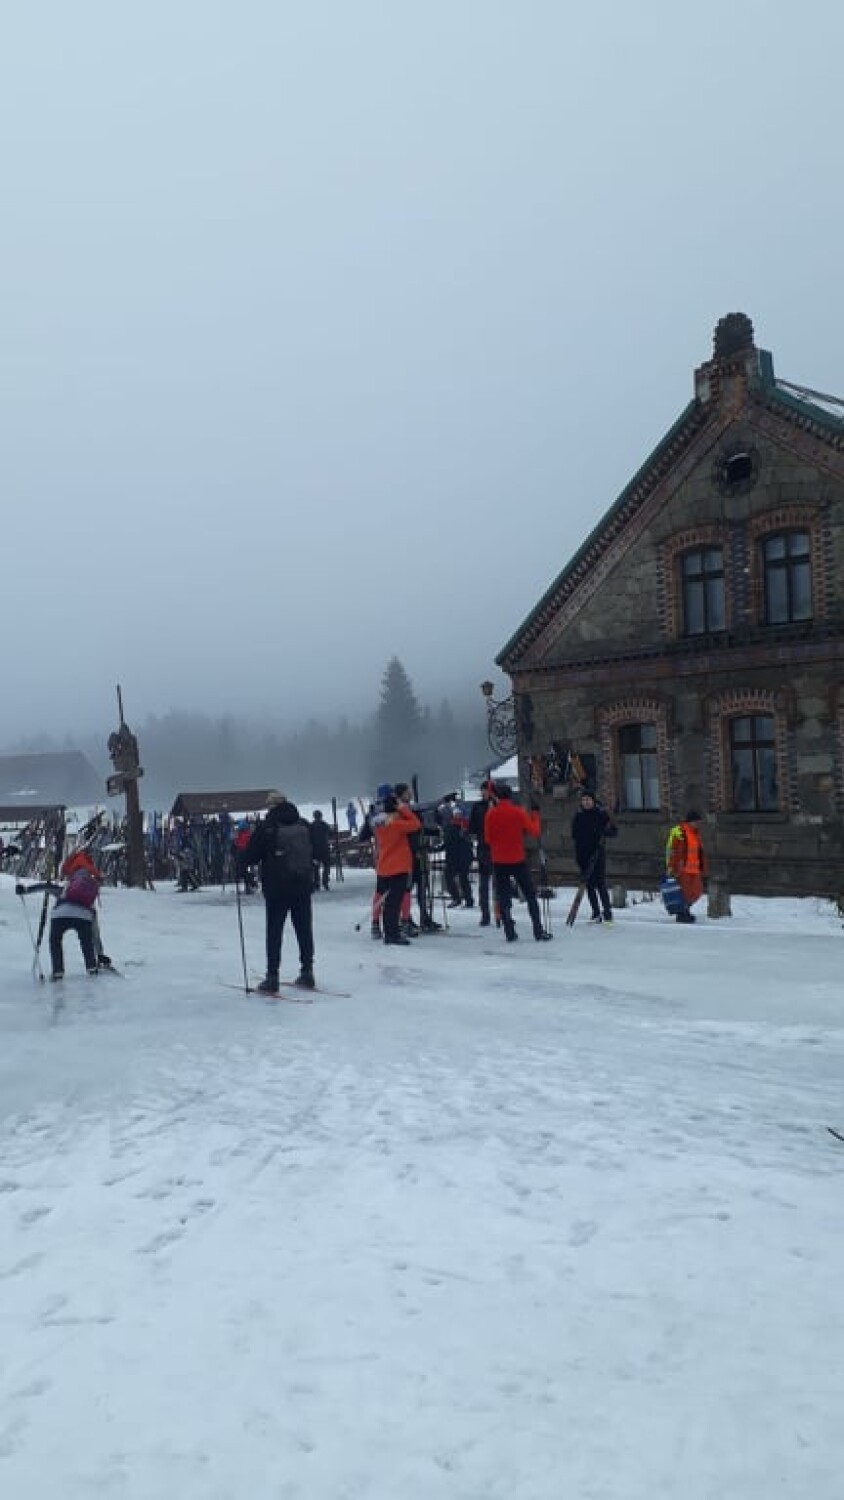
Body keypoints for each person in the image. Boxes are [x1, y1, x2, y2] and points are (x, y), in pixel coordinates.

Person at [240, 792, 317, 992]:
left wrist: (240, 861)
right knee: (304, 930)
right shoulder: (303, 824)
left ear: (271, 806)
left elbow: (250, 856)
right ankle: (307, 971)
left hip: (277, 888)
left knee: (274, 932)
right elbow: (316, 850)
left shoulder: (267, 827)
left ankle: (272, 976)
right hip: (302, 885)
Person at [483, 784, 551, 942]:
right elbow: (534, 831)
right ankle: (538, 930)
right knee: (530, 895)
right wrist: (535, 815)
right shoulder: (518, 812)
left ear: (497, 797)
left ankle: (509, 931)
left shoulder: (490, 814)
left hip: (499, 860)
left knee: (504, 896)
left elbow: (487, 839)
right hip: (517, 858)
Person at [17, 862, 103, 981]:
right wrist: (100, 953)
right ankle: (91, 968)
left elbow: (45, 887)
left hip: (60, 915)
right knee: (86, 941)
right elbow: (95, 931)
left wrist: (25, 890)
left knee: (55, 941)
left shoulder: (67, 888)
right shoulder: (89, 895)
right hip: (84, 917)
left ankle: (58, 971)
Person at [373, 792, 421, 946]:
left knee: (388, 903)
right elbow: (416, 823)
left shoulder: (379, 825)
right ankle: (392, 934)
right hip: (398, 868)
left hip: (384, 867)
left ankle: (389, 932)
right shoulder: (397, 825)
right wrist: (403, 809)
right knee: (394, 903)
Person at [60, 846, 113, 967]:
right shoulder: (83, 860)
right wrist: (100, 876)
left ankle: (95, 957)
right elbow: (91, 871)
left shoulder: (73, 859)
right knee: (92, 926)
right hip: (83, 895)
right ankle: (98, 955)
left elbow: (65, 871)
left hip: (70, 891)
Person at [571, 789, 618, 924]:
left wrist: (606, 832)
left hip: (597, 853)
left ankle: (607, 911)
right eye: (583, 800)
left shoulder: (601, 814)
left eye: (588, 800)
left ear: (593, 801)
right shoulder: (578, 816)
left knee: (600, 883)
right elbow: (575, 835)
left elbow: (613, 830)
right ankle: (596, 912)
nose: (586, 803)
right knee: (589, 885)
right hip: (583, 854)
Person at [665, 810, 707, 923]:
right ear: (690, 822)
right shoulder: (680, 832)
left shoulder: (695, 833)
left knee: (697, 891)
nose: (699, 824)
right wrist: (672, 867)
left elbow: (698, 852)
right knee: (685, 893)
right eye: (697, 821)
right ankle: (683, 913)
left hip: (694, 868)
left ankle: (684, 910)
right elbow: (673, 851)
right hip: (683, 869)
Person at [468, 780, 494, 926]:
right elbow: (472, 827)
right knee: (484, 884)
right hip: (484, 847)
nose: (484, 793)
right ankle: (485, 914)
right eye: (482, 790)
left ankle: (502, 912)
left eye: (486, 790)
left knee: (500, 883)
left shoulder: (497, 806)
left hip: (497, 848)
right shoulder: (477, 807)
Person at [443, 807, 473, 908]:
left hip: (457, 856)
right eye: (456, 814)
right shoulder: (461, 826)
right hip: (459, 856)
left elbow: (449, 842)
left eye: (458, 814)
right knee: (461, 878)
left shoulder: (461, 827)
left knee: (456, 877)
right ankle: (465, 899)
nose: (457, 816)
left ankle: (460, 898)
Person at [309, 811, 332, 891]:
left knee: (316, 868)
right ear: (321, 816)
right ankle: (325, 882)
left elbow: (309, 838)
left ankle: (316, 883)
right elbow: (330, 833)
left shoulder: (311, 826)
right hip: (325, 849)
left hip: (315, 850)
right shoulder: (325, 825)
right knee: (326, 866)